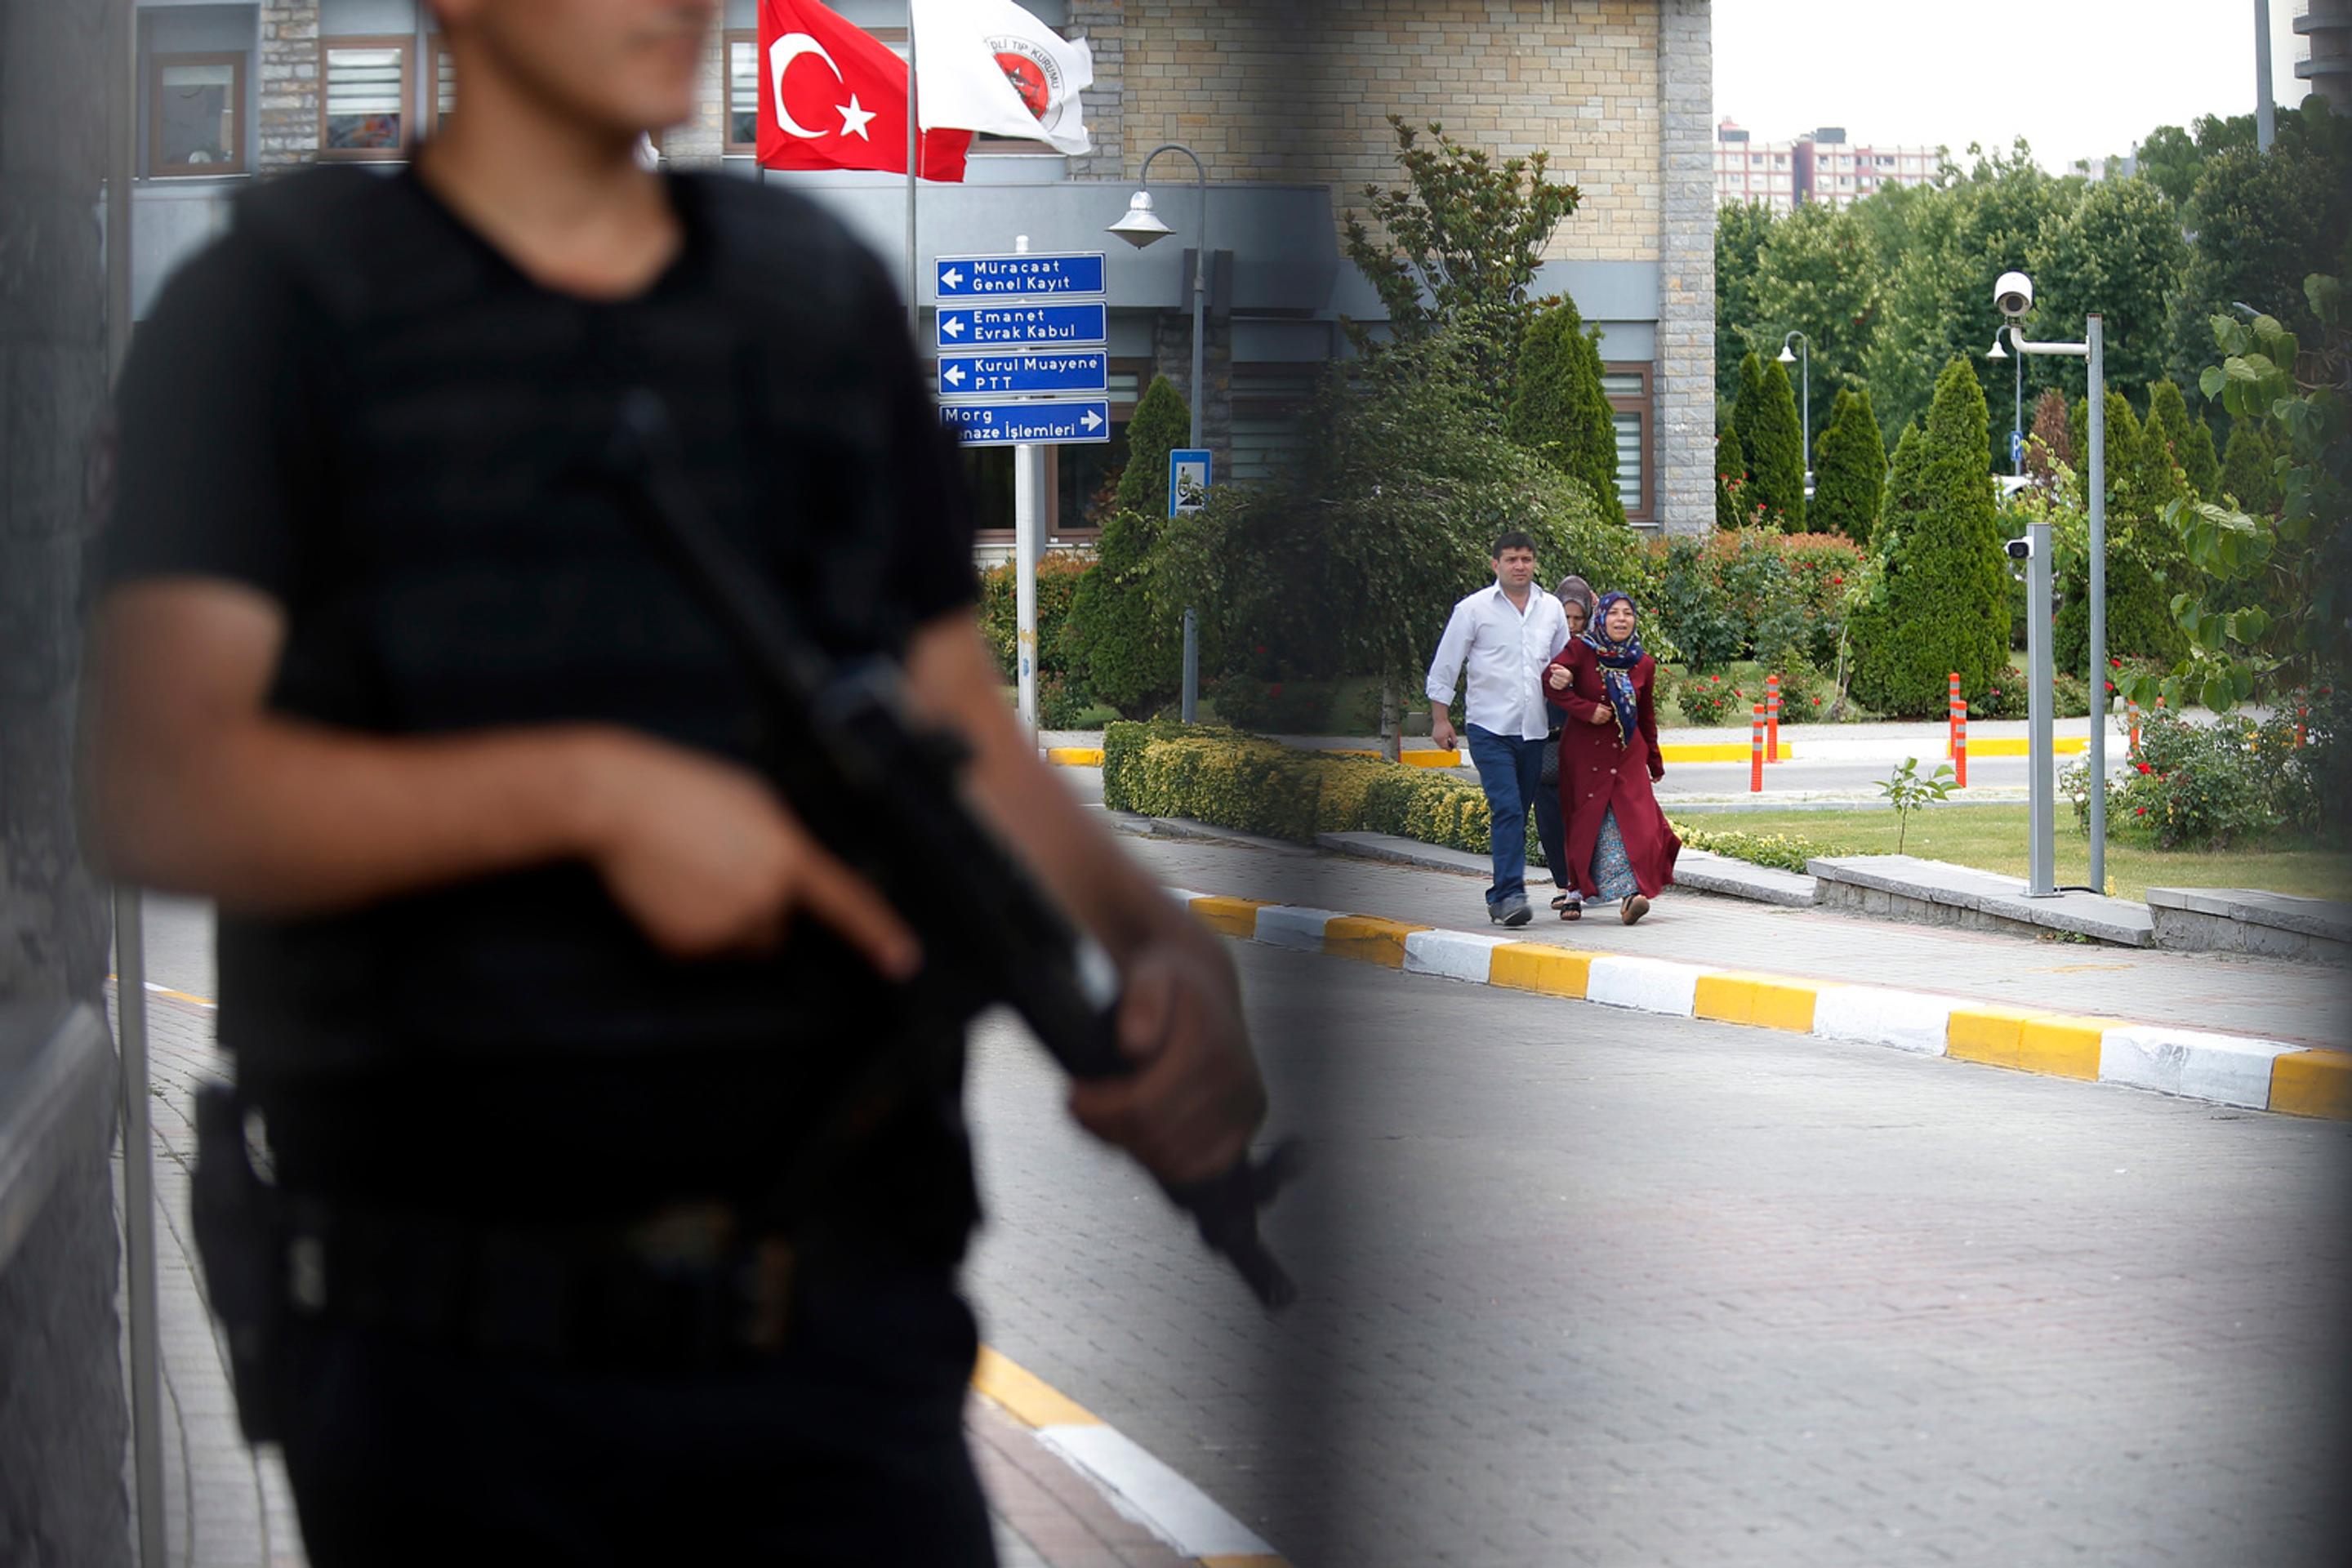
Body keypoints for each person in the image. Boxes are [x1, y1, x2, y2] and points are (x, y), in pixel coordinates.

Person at [82, 2, 1265, 1561]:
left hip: (842, 1339)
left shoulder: (816, 293)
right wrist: (585, 797)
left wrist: (1147, 931)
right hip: (457, 1374)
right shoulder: (270, 310)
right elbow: (156, 776)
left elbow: (952, 714)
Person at [1425, 531, 1570, 926]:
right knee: (1506, 807)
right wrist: (1440, 719)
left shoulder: (1551, 609)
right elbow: (1446, 664)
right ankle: (1510, 896)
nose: (1519, 566)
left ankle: (1498, 895)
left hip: (1534, 730)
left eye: (1526, 559)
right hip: (1489, 728)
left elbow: (1564, 659)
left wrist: (1564, 676)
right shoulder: (1473, 610)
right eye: (1511, 559)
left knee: (1517, 813)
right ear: (1496, 564)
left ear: (1534, 562)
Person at [1544, 591, 1681, 925]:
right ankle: (1578, 889)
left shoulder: (1642, 662)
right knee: (1587, 823)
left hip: (1626, 754)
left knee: (1636, 825)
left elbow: (1646, 716)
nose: (1621, 619)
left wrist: (1655, 760)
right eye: (1614, 613)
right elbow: (1551, 684)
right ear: (1601, 618)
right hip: (1585, 754)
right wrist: (1586, 710)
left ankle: (1632, 894)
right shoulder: (1581, 650)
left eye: (1628, 613)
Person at [1541, 576, 1597, 916]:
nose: (1573, 625)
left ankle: (1579, 884)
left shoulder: (1593, 646)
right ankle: (1563, 884)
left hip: (1583, 741)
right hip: (1546, 740)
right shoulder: (1542, 642)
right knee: (1549, 816)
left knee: (1583, 815)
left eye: (1579, 618)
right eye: (1566, 618)